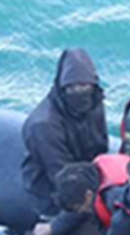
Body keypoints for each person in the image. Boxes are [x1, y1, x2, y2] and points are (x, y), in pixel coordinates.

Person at [21, 48, 108, 216]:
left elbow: (101, 145)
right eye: (72, 88)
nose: (79, 92)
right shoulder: (43, 125)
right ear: (62, 88)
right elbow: (59, 174)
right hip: (52, 190)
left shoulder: (94, 102)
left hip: (87, 168)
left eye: (85, 86)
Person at [32, 162, 104, 235]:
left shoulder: (111, 199)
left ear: (88, 195)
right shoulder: (95, 172)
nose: (79, 212)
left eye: (78, 208)